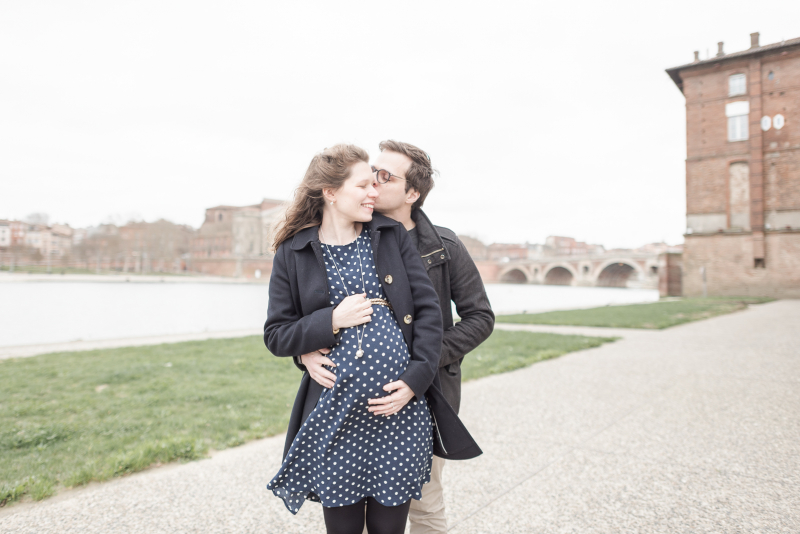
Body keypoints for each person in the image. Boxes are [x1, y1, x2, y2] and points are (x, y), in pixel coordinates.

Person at [264, 144, 480, 534]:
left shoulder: (392, 237)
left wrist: (415, 377)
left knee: (404, 520)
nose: (373, 191)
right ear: (330, 192)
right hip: (338, 414)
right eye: (365, 183)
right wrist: (327, 324)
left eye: (380, 181)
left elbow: (434, 314)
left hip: (400, 414)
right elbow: (277, 333)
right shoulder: (294, 252)